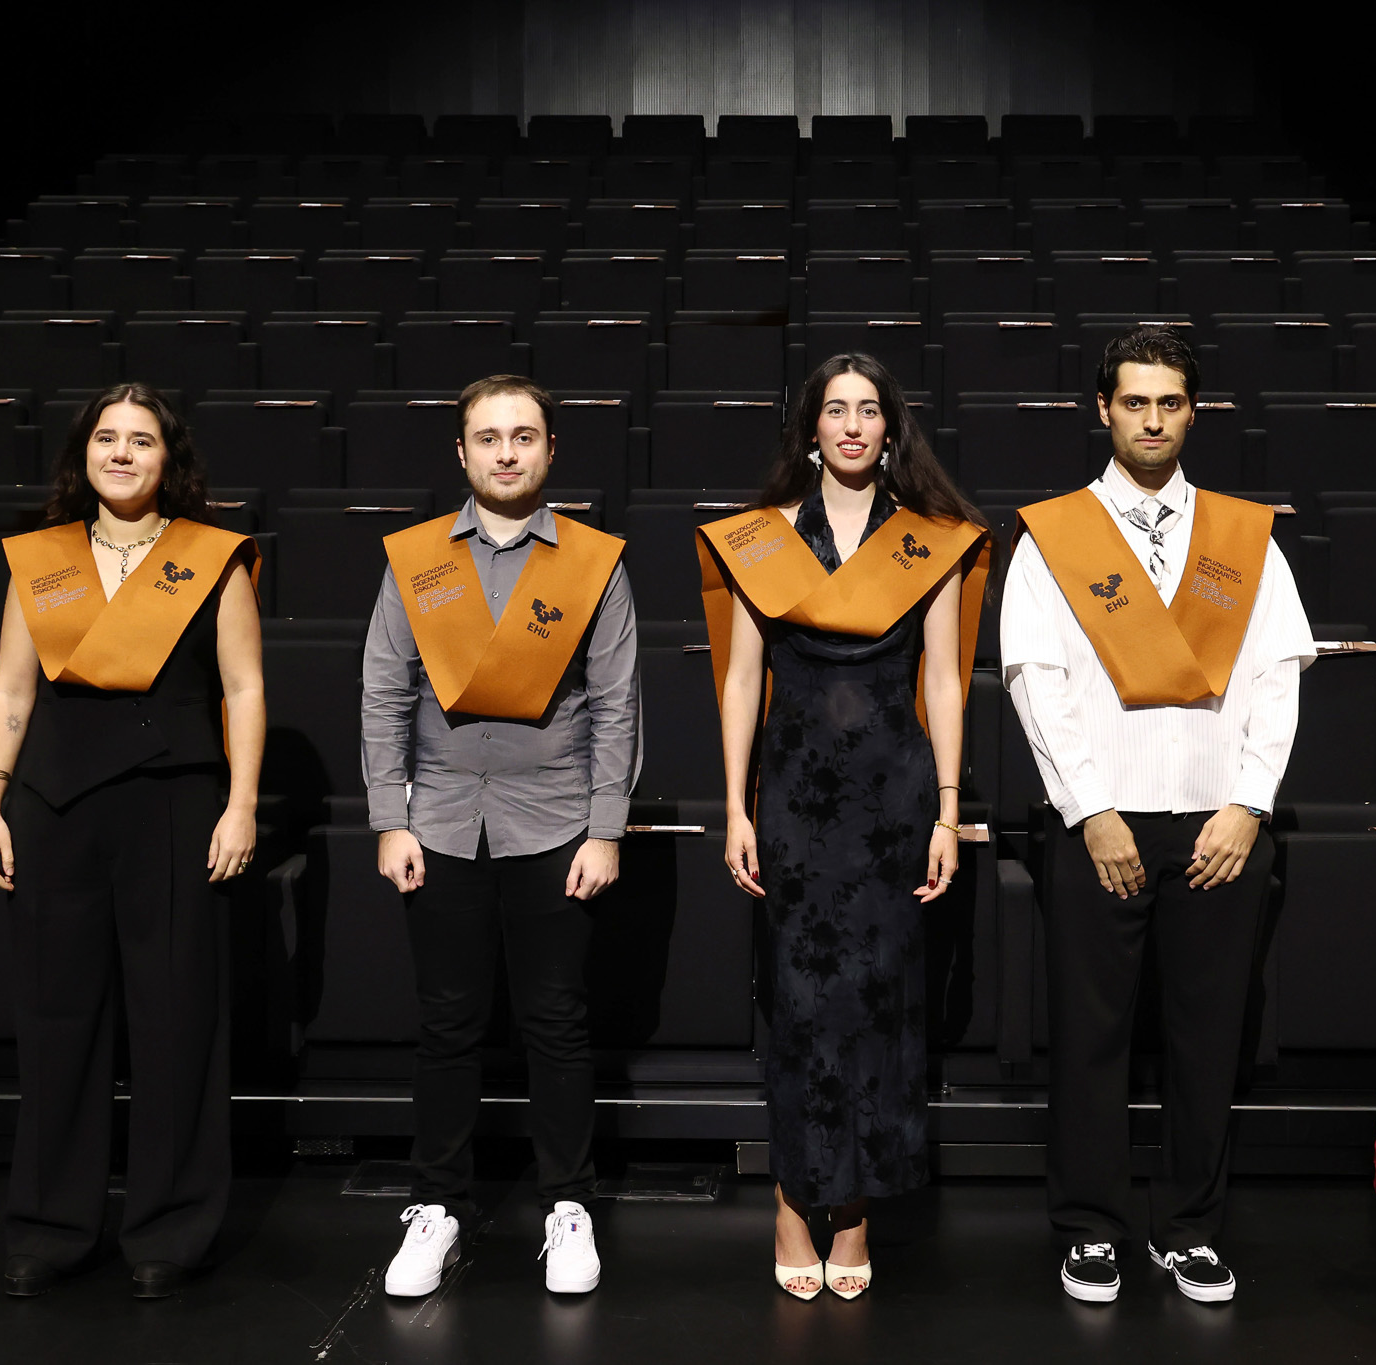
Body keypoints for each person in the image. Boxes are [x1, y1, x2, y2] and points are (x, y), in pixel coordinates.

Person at [1001, 324, 1315, 1305]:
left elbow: (1277, 679)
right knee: (1088, 1038)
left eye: (1168, 402)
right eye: (1132, 401)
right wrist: (1090, 810)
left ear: (1193, 412)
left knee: (1207, 1038)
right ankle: (1090, 1227)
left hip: (1218, 826)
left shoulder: (1244, 536)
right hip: (1097, 825)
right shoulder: (1053, 536)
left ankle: (1188, 1228)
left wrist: (1248, 804)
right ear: (1102, 409)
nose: (1150, 419)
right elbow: (1034, 681)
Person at [698, 353, 989, 1301]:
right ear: (812, 429)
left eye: (869, 410)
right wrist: (735, 805)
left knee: (879, 1002)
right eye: (836, 409)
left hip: (894, 800)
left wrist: (948, 810)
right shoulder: (766, 537)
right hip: (791, 796)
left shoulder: (928, 540)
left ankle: (855, 1207)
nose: (853, 425)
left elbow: (942, 679)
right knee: (797, 1001)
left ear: (890, 429)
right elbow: (743, 679)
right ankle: (793, 1200)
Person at [0, 383, 265, 1299]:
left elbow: (244, 689)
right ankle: (52, 1226)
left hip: (175, 806)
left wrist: (242, 804)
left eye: (142, 440)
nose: (123, 453)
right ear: (84, 453)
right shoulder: (41, 560)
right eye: (108, 437)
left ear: (168, 459)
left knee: (175, 1019)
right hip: (55, 807)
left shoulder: (211, 559)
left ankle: (169, 1229)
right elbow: (11, 689)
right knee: (56, 1020)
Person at [362, 374, 639, 1299]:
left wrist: (605, 830)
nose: (507, 452)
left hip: (556, 824)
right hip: (440, 821)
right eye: (488, 437)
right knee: (447, 1022)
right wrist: (390, 817)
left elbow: (616, 705)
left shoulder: (593, 562)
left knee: (556, 1022)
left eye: (524, 436)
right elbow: (384, 691)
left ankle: (569, 1204)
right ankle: (437, 1205)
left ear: (551, 449)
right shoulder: (416, 560)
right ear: (462, 452)